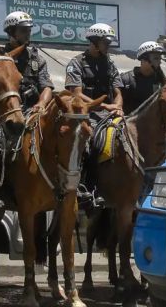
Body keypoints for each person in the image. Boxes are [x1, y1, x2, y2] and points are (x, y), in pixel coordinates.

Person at [0, 11, 54, 212]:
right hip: (5, 113)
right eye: (23, 30)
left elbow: (47, 87)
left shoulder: (36, 58)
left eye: (28, 30)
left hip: (32, 110)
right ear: (11, 31)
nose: (27, 33)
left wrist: (42, 103)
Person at [65, 23, 123, 205]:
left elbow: (119, 91)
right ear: (94, 42)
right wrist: (104, 106)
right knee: (88, 144)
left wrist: (118, 107)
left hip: (109, 113)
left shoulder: (110, 64)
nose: (108, 46)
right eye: (106, 42)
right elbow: (76, 93)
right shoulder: (77, 63)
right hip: (86, 114)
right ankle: (86, 185)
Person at [119, 41, 166, 114]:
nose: (160, 62)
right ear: (143, 59)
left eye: (160, 59)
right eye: (156, 58)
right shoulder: (126, 79)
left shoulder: (160, 80)